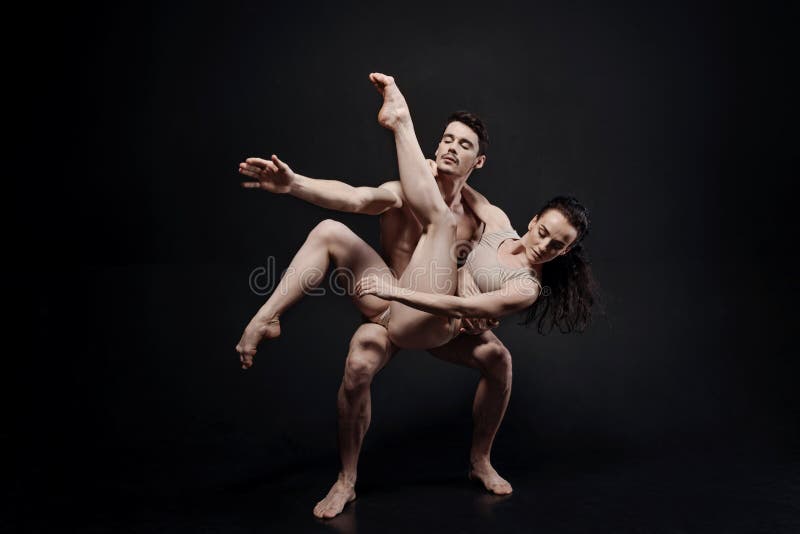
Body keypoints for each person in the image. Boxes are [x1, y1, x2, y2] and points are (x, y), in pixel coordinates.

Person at [236, 105, 513, 517]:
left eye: (464, 144)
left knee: (499, 359)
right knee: (358, 359)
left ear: (480, 161)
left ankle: (480, 461)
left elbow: (506, 269)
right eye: (447, 139)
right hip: (387, 306)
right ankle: (346, 479)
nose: (451, 148)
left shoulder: (483, 217)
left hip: (437, 320)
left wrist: (481, 301)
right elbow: (355, 197)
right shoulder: (406, 189)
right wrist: (295, 184)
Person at [356, 73, 595, 340]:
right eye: (543, 233)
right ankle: (397, 123)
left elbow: (462, 306)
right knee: (360, 363)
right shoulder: (498, 224)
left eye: (556, 246)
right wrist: (433, 168)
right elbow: (467, 192)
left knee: (443, 222)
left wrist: (393, 292)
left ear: (565, 251)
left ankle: (401, 122)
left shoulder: (527, 287)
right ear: (534, 221)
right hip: (413, 297)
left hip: (432, 322)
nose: (543, 246)